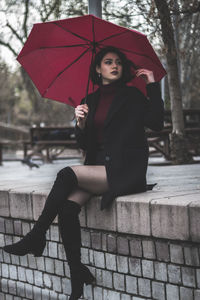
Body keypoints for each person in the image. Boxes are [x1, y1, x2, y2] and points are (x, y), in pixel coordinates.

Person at [3, 46, 164, 300]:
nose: (115, 66)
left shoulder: (132, 96)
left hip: (125, 169)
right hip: (100, 167)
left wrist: (152, 85)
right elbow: (87, 145)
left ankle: (36, 236)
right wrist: (80, 123)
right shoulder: (90, 100)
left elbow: (156, 122)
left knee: (66, 174)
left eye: (119, 62)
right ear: (98, 69)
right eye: (108, 62)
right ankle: (77, 276)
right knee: (67, 209)